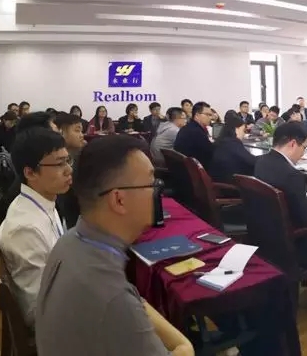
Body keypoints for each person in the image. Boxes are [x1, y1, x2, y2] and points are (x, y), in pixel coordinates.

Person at [35, 135, 193, 356]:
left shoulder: (70, 242)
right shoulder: (113, 298)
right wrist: (185, 347)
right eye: (151, 183)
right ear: (119, 200)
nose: (157, 192)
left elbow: (136, 301)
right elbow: (124, 304)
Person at [0, 127, 73, 325]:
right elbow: (37, 309)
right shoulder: (26, 229)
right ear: (30, 172)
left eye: (68, 160)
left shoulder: (43, 200)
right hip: (52, 321)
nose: (69, 170)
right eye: (59, 163)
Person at [254, 122, 307, 230]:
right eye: (304, 148)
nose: (303, 153)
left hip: (265, 227)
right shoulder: (292, 175)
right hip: (292, 234)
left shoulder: (261, 161)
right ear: (293, 144)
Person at [54, 113, 87, 229]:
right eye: (77, 131)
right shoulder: (52, 162)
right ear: (61, 133)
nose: (82, 135)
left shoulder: (82, 155)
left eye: (82, 131)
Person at [210, 114, 257, 183]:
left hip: (219, 180)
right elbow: (252, 161)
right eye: (244, 130)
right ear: (236, 129)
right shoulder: (233, 143)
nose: (244, 134)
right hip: (231, 184)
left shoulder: (221, 141)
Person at [173, 101, 214, 169]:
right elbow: (210, 154)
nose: (210, 118)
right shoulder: (197, 132)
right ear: (197, 115)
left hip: (183, 169)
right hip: (193, 170)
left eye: (211, 115)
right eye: (208, 115)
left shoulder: (187, 127)